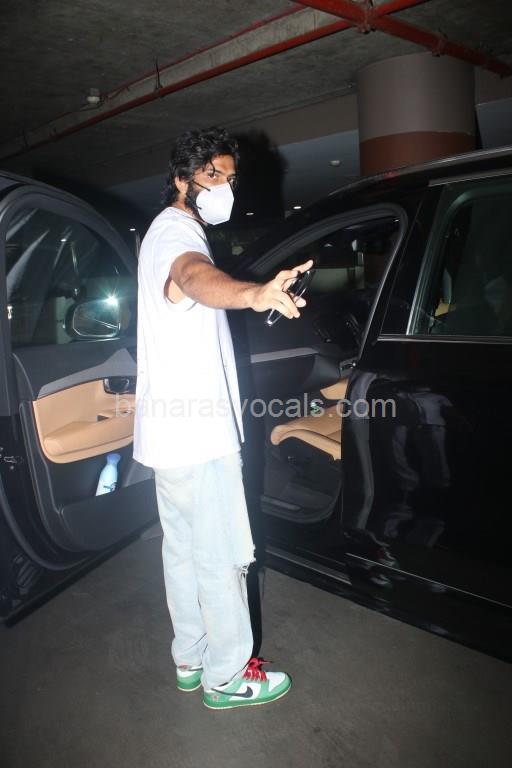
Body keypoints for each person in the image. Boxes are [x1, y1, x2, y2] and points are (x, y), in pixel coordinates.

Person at [133, 126, 312, 710]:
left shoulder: (161, 232)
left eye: (230, 179)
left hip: (171, 435)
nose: (223, 188)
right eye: (212, 176)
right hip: (200, 434)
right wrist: (255, 294)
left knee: (184, 553)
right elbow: (191, 277)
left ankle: (190, 656)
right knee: (220, 556)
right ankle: (227, 676)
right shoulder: (178, 232)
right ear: (182, 179)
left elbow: (186, 286)